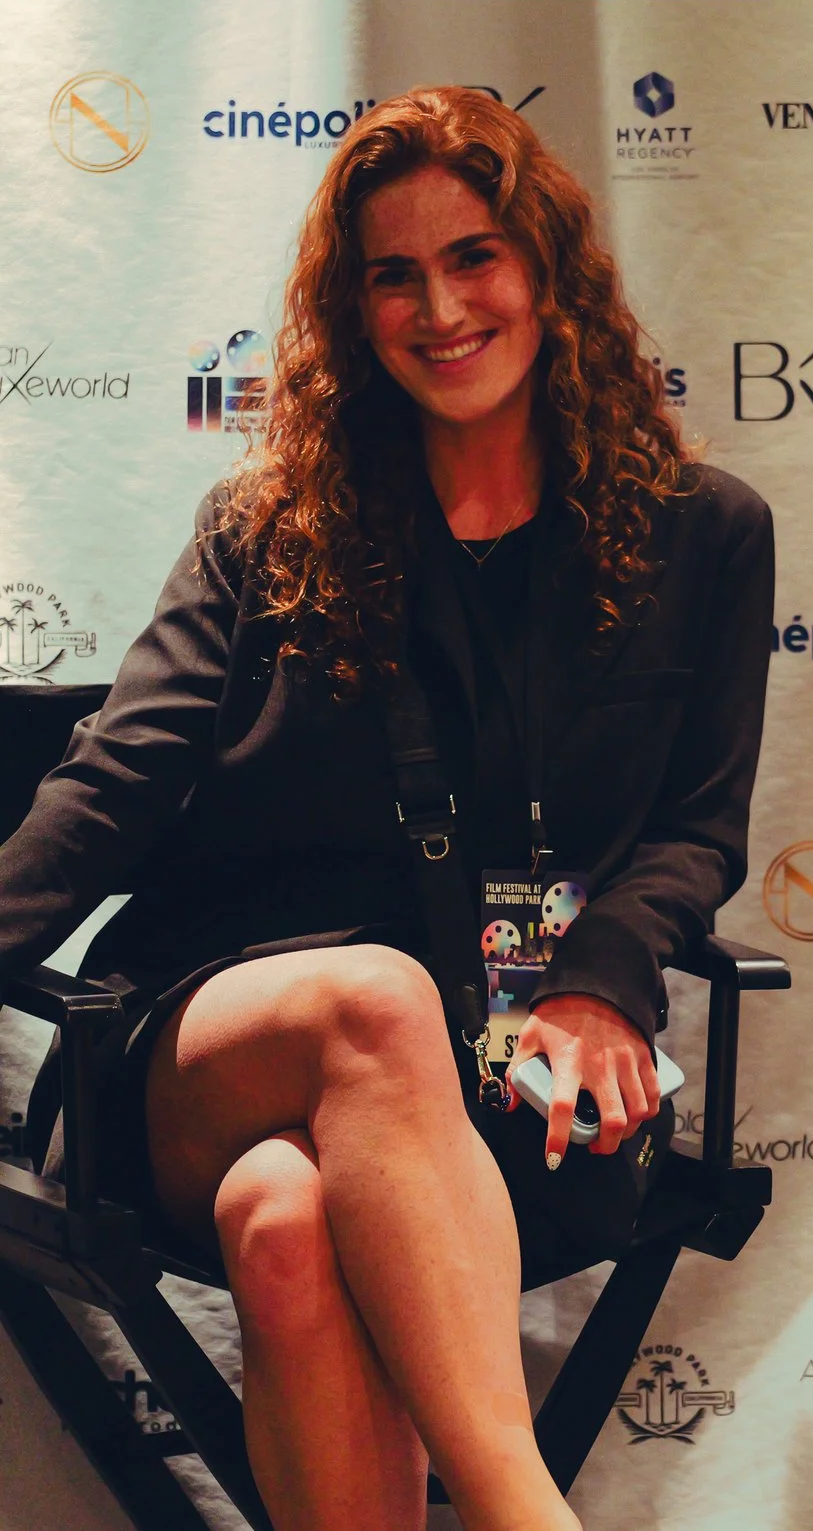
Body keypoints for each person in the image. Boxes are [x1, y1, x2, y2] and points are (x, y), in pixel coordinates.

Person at [0, 87, 773, 1530]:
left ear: (547, 271)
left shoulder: (703, 534)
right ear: (355, 310)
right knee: (372, 999)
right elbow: (114, 784)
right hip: (200, 1042)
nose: (440, 306)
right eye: (394, 274)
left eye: (474, 256)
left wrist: (605, 987)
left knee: (286, 1227)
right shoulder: (270, 525)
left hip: (502, 1066)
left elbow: (695, 829)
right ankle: (527, 1511)